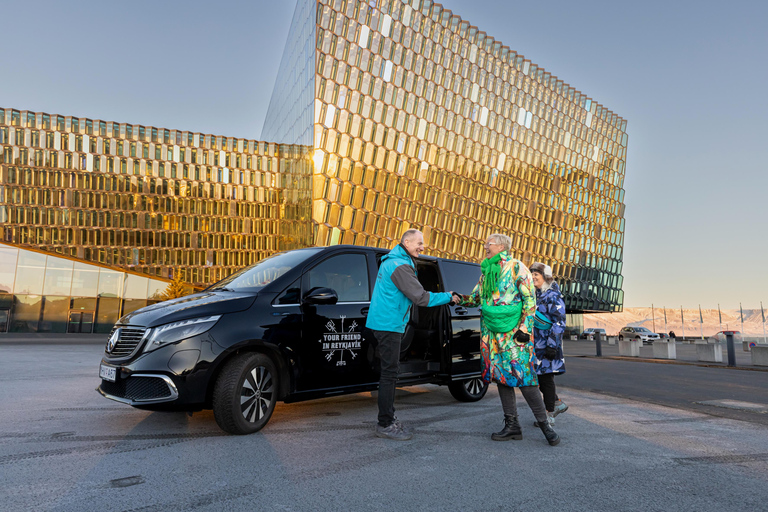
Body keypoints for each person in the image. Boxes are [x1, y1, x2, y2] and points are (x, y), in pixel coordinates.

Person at [455, 234, 559, 446]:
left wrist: (524, 328)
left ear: (501, 246)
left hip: (514, 335)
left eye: (488, 244)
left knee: (525, 379)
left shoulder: (517, 267)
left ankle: (545, 425)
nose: (485, 247)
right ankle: (512, 425)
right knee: (501, 377)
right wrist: (458, 298)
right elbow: (477, 298)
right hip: (492, 334)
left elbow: (530, 300)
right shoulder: (486, 272)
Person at [366, 229, 459, 440]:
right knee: (390, 374)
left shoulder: (393, 261)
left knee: (388, 372)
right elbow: (421, 298)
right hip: (389, 325)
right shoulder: (400, 265)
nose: (422, 247)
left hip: (385, 323)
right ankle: (385, 424)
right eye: (419, 243)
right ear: (406, 242)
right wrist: (449, 296)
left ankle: (388, 418)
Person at [529, 262, 568, 428]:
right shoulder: (536, 294)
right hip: (535, 343)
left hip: (547, 344)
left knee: (546, 377)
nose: (533, 277)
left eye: (536, 274)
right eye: (531, 274)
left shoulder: (552, 295)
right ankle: (557, 402)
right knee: (538, 377)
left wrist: (552, 345)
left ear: (545, 276)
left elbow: (559, 321)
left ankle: (549, 415)